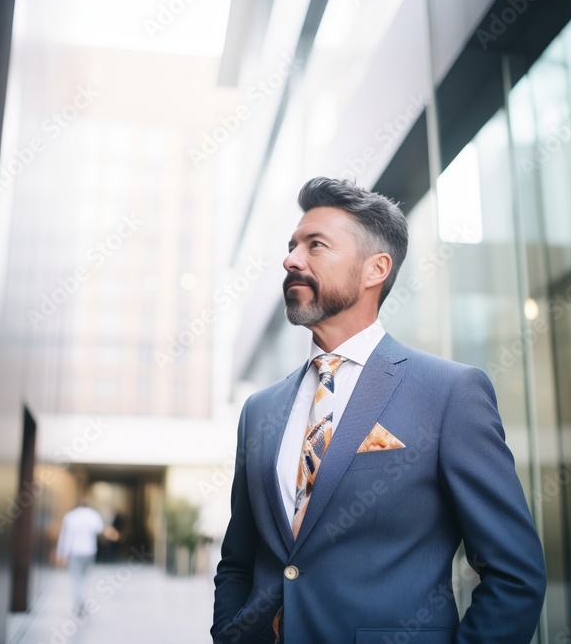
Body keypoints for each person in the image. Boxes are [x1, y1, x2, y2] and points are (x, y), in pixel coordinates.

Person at [212, 178, 547, 643]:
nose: (291, 260)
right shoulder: (259, 409)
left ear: (376, 269)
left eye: (316, 245)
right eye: (291, 246)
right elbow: (238, 560)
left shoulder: (450, 393)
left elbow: (515, 575)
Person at [56, 497, 119, 615]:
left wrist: (61, 553)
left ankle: (78, 601)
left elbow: (65, 537)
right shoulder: (93, 515)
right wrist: (114, 535)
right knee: (84, 577)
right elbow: (101, 530)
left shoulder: (70, 517)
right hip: (89, 551)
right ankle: (83, 601)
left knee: (76, 577)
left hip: (75, 552)